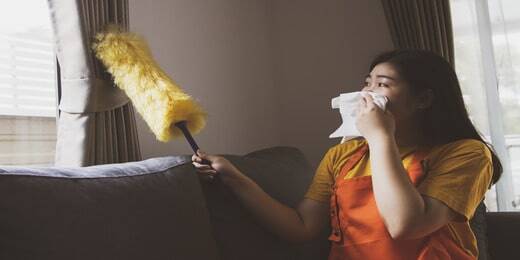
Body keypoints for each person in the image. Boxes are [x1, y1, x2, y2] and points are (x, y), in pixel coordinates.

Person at [192, 49, 501, 260]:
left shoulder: (466, 154)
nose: (366, 94)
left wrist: (381, 137)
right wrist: (232, 175)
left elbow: (405, 224)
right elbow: (300, 227)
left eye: (382, 84)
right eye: (366, 83)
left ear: (423, 99)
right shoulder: (343, 155)